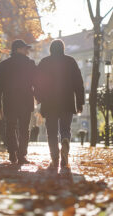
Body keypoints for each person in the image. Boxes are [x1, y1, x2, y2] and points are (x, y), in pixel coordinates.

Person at [35, 39, 85, 168]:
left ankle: (55, 157)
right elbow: (79, 83)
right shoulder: (71, 61)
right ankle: (65, 142)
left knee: (51, 131)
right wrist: (80, 103)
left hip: (49, 102)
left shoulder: (44, 62)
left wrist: (39, 98)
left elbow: (37, 82)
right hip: (67, 102)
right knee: (65, 129)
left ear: (51, 49)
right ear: (63, 48)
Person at [0, 39, 36, 164]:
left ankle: (12, 153)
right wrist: (39, 97)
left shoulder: (4, 65)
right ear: (18, 49)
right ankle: (22, 155)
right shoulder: (30, 64)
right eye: (24, 48)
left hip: (9, 101)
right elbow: (37, 82)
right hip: (26, 101)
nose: (27, 51)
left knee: (10, 127)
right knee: (24, 129)